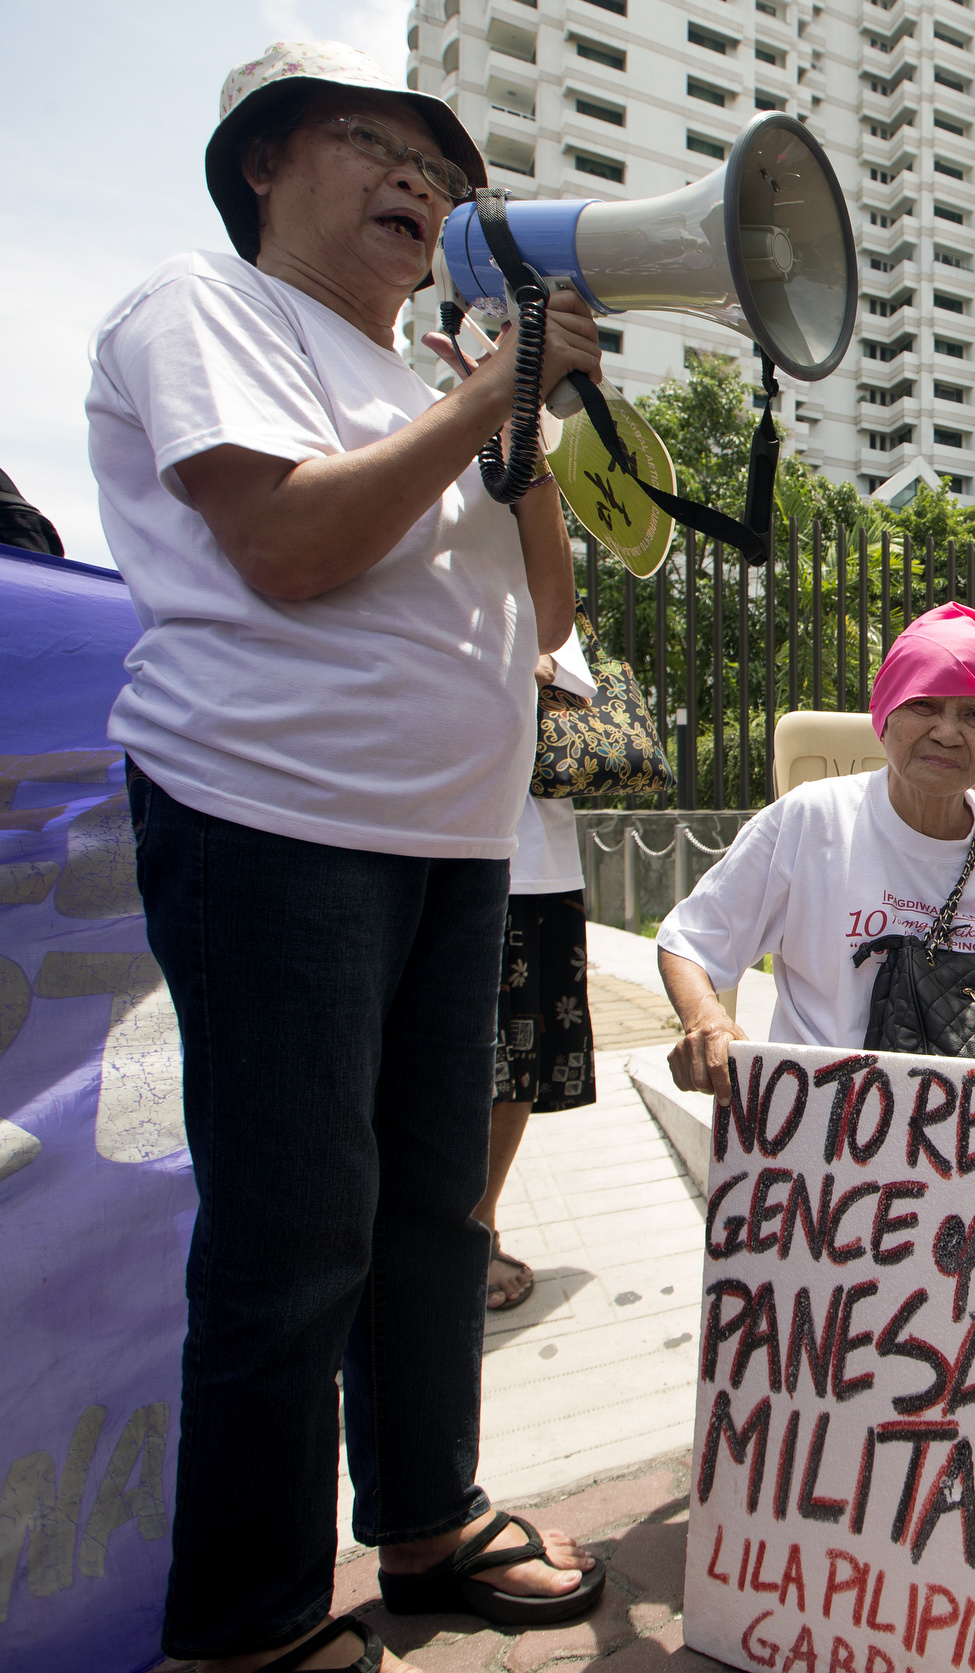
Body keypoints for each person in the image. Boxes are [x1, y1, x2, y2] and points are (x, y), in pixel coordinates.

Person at [93, 42, 605, 1673]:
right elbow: (293, 545)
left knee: (431, 1210)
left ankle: (429, 1518)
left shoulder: (424, 378)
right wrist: (480, 393)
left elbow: (550, 618)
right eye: (373, 146)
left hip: (449, 840)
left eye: (442, 175)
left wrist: (513, 433)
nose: (421, 185)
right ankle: (243, 1626)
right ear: (260, 166)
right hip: (273, 820)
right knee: (296, 1221)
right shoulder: (204, 311)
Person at [656, 603, 975, 1095]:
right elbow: (690, 941)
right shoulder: (811, 821)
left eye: (974, 714)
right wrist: (706, 1020)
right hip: (818, 1126)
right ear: (885, 714)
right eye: (924, 705)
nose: (947, 732)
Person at [480, 631, 601, 1312]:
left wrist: (525, 662)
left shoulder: (527, 568)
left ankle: (479, 1222)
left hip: (532, 863)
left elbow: (572, 681)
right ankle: (418, 1228)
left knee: (521, 1060)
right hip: (415, 836)